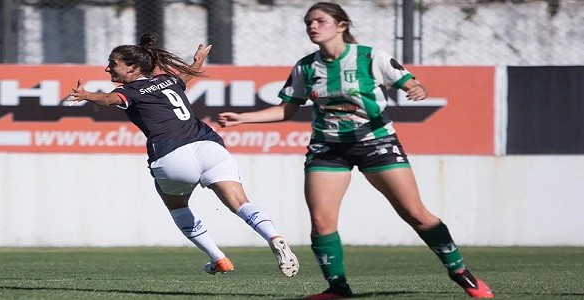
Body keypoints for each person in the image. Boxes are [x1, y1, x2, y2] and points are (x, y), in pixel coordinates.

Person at [217, 2, 493, 299]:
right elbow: (287, 109)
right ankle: (338, 289)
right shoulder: (306, 66)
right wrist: (243, 118)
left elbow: (411, 83)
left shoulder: (369, 57)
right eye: (308, 22)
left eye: (320, 21)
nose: (312, 26)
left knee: (415, 213)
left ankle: (460, 272)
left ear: (341, 25)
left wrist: (417, 89)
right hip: (327, 148)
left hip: (376, 142)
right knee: (322, 222)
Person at [66, 33, 299, 278]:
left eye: (113, 64)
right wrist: (198, 60)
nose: (107, 68)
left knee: (176, 205)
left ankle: (218, 258)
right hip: (209, 148)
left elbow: (109, 99)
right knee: (241, 203)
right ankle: (273, 235)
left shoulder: (131, 91)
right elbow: (187, 75)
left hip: (172, 156)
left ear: (132, 67)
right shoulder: (168, 80)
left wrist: (88, 95)